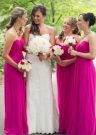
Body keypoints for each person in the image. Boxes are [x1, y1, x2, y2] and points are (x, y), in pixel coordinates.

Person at [23, 4, 58, 134]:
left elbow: (52, 47)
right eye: (33, 16)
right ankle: (31, 124)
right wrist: (34, 49)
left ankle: (47, 123)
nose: (35, 18)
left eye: (38, 16)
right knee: (32, 90)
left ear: (44, 16)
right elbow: (24, 46)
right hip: (33, 62)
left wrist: (45, 54)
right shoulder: (28, 28)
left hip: (44, 63)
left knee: (45, 89)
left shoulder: (51, 29)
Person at [2, 7, 28, 135]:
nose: (26, 19)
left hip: (20, 66)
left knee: (20, 97)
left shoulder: (19, 31)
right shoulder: (11, 33)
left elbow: (21, 47)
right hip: (13, 68)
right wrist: (17, 66)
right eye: (25, 17)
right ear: (19, 18)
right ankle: (13, 127)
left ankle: (20, 124)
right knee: (14, 97)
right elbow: (5, 55)